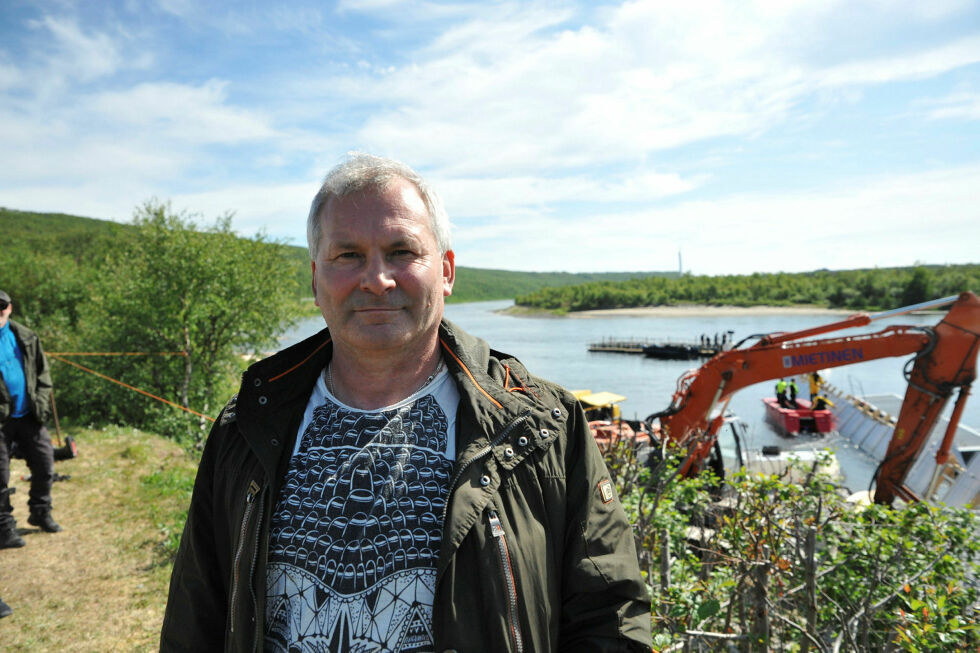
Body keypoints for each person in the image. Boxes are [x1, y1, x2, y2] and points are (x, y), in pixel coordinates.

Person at [160, 154, 652, 652]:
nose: (377, 279)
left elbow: (610, 617)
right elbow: (195, 617)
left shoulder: (541, 428)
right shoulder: (245, 427)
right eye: (347, 255)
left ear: (446, 270)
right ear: (315, 278)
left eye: (401, 251)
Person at [1, 290, 61, 550]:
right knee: (0, 475)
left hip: (29, 415)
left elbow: (43, 374)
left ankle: (40, 512)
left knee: (45, 463)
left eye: (1, 306)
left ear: (10, 308)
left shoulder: (26, 336)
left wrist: (41, 403)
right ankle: (3, 527)